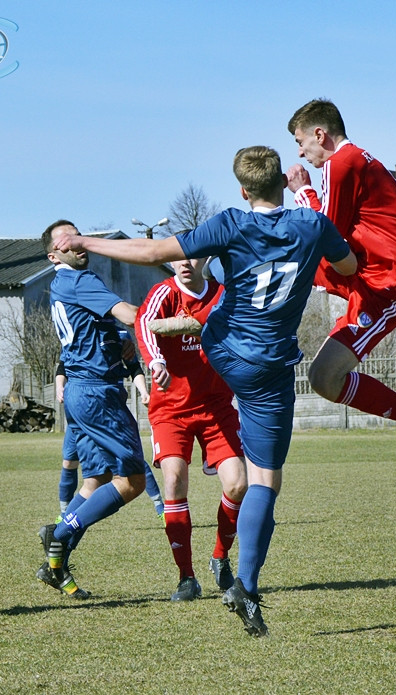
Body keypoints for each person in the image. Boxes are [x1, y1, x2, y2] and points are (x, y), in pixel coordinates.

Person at [56, 145, 356, 636]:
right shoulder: (312, 225)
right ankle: (245, 584)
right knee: (264, 483)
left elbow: (153, 251)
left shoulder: (230, 222)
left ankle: (189, 325)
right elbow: (347, 268)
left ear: (242, 190)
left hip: (223, 353)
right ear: (282, 181)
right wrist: (307, 194)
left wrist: (86, 239)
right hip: (267, 369)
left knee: (212, 315)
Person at [286, 98, 396, 478]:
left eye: (301, 142)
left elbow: (326, 232)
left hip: (383, 287)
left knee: (296, 251)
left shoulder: (342, 164)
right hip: (377, 281)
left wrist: (302, 192)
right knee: (322, 378)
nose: (301, 152)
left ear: (321, 134)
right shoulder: (369, 164)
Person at [36, 221, 152, 599]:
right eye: (65, 241)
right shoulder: (81, 281)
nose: (76, 243)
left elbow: (95, 327)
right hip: (98, 394)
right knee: (133, 481)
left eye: (76, 235)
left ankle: (55, 564)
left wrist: (115, 342)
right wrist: (190, 322)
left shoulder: (60, 285)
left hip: (80, 392)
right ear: (54, 255)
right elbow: (133, 315)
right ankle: (60, 531)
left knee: (95, 482)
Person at [136, 255, 247, 602]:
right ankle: (186, 577)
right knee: (173, 479)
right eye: (177, 258)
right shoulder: (164, 294)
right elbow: (144, 325)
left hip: (215, 405)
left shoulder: (223, 296)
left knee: (238, 483)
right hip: (170, 408)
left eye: (193, 256)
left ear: (207, 259)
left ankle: (220, 557)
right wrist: (156, 362)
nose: (185, 263)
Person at [53, 342, 165, 520]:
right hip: (82, 407)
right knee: (71, 463)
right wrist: (60, 387)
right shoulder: (76, 335)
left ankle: (161, 509)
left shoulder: (118, 336)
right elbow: (62, 368)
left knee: (129, 462)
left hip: (108, 408)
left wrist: (144, 391)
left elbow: (134, 367)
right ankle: (63, 517)